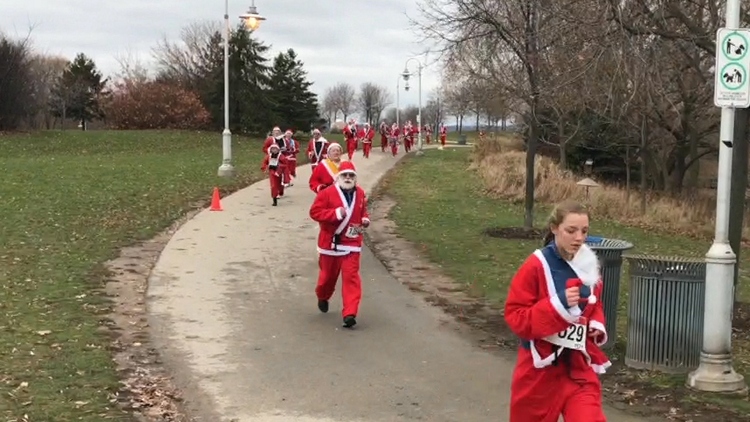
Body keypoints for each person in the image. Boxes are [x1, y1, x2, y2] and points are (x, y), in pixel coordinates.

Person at [504, 200, 609, 422]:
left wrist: (596, 325)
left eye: (584, 231)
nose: (579, 238)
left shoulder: (589, 266)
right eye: (571, 231)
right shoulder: (536, 265)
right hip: (539, 371)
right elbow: (516, 317)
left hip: (578, 369)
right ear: (554, 228)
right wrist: (557, 306)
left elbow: (594, 304)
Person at [309, 160, 370, 328]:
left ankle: (350, 313)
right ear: (338, 177)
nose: (348, 178)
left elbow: (362, 210)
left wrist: (365, 219)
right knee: (326, 278)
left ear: (355, 178)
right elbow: (314, 212)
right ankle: (323, 296)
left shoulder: (360, 193)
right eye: (345, 175)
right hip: (330, 243)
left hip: (352, 242)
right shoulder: (327, 193)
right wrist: (335, 213)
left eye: (351, 175)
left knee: (351, 278)